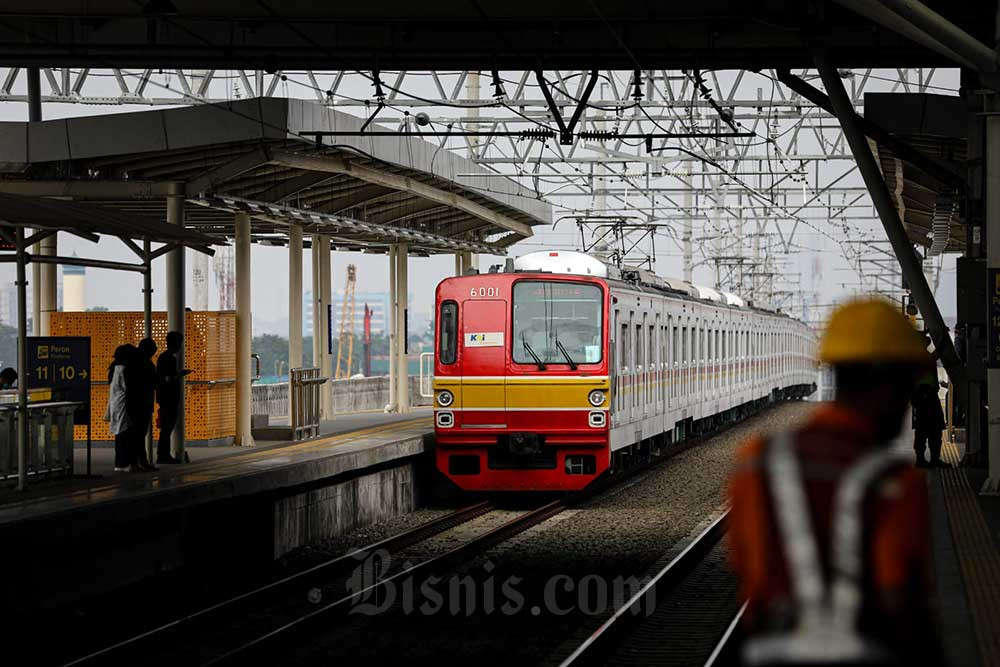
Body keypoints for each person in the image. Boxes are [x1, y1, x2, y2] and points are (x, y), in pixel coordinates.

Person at [728, 298, 941, 666]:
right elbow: (900, 595)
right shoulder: (896, 483)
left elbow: (749, 572)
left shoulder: (756, 462)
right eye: (907, 385)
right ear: (886, 384)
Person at [156, 331, 190, 464]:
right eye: (180, 343)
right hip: (168, 397)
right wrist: (180, 374)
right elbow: (167, 378)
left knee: (166, 427)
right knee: (167, 427)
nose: (180, 346)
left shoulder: (163, 357)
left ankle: (163, 454)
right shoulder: (169, 358)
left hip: (164, 397)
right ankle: (163, 455)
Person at [125, 338, 158, 472]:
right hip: (142, 402)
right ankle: (137, 462)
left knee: (137, 434)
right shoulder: (144, 363)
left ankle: (139, 462)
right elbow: (153, 380)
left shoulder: (133, 362)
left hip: (136, 402)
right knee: (138, 434)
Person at [108, 345, 136, 472]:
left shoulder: (114, 368)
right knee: (124, 434)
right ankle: (123, 463)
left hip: (116, 404)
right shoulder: (123, 369)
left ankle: (120, 463)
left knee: (120, 434)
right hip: (123, 404)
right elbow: (128, 388)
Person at [912, 368, 948, 468]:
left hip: (924, 392)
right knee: (931, 428)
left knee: (924, 428)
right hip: (925, 392)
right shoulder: (922, 358)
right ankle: (928, 459)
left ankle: (924, 459)